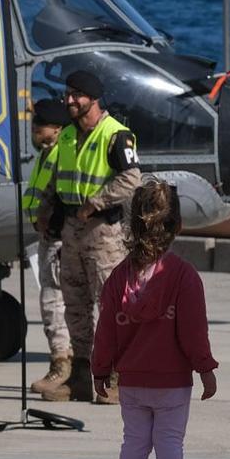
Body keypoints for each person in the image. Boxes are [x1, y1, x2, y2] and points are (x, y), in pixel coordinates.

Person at [93, 181, 218, 459]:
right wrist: (205, 368)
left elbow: (106, 331)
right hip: (171, 379)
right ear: (178, 226)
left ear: (133, 225)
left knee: (133, 442)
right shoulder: (182, 276)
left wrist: (100, 369)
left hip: (131, 379)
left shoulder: (118, 277)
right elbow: (193, 331)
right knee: (169, 442)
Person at [47, 69, 141, 404]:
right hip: (72, 228)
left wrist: (95, 203)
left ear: (93, 98)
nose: (69, 100)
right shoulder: (69, 135)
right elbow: (56, 176)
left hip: (102, 229)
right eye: (67, 94)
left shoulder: (116, 135)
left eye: (77, 95)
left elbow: (131, 179)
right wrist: (48, 212)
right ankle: (82, 375)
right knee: (74, 302)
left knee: (110, 303)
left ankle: (116, 375)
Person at [23, 98, 74, 401]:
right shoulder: (48, 155)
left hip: (57, 239)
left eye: (39, 125)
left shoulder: (59, 156)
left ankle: (62, 365)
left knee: (54, 303)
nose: (33, 130)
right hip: (48, 238)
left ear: (56, 129)